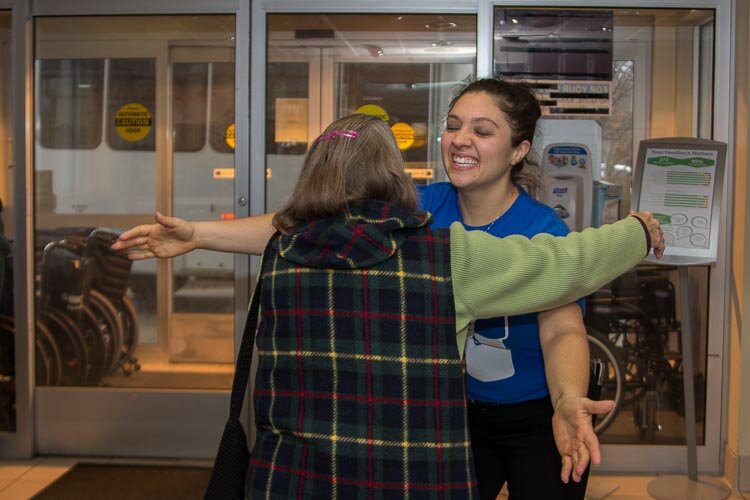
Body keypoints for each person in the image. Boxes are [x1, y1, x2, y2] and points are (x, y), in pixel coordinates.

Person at [114, 113, 663, 498]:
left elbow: (279, 226)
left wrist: (198, 235)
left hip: (292, 478)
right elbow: (570, 264)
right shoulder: (447, 255)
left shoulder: (283, 250)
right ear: (394, 176)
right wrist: (637, 230)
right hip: (405, 478)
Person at [418, 77, 596, 499]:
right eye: (453, 125)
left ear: (519, 151)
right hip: (453, 416)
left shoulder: (541, 229)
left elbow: (562, 329)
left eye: (481, 131)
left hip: (539, 417)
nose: (460, 140)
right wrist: (228, 236)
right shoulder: (422, 209)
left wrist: (569, 399)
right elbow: (321, 224)